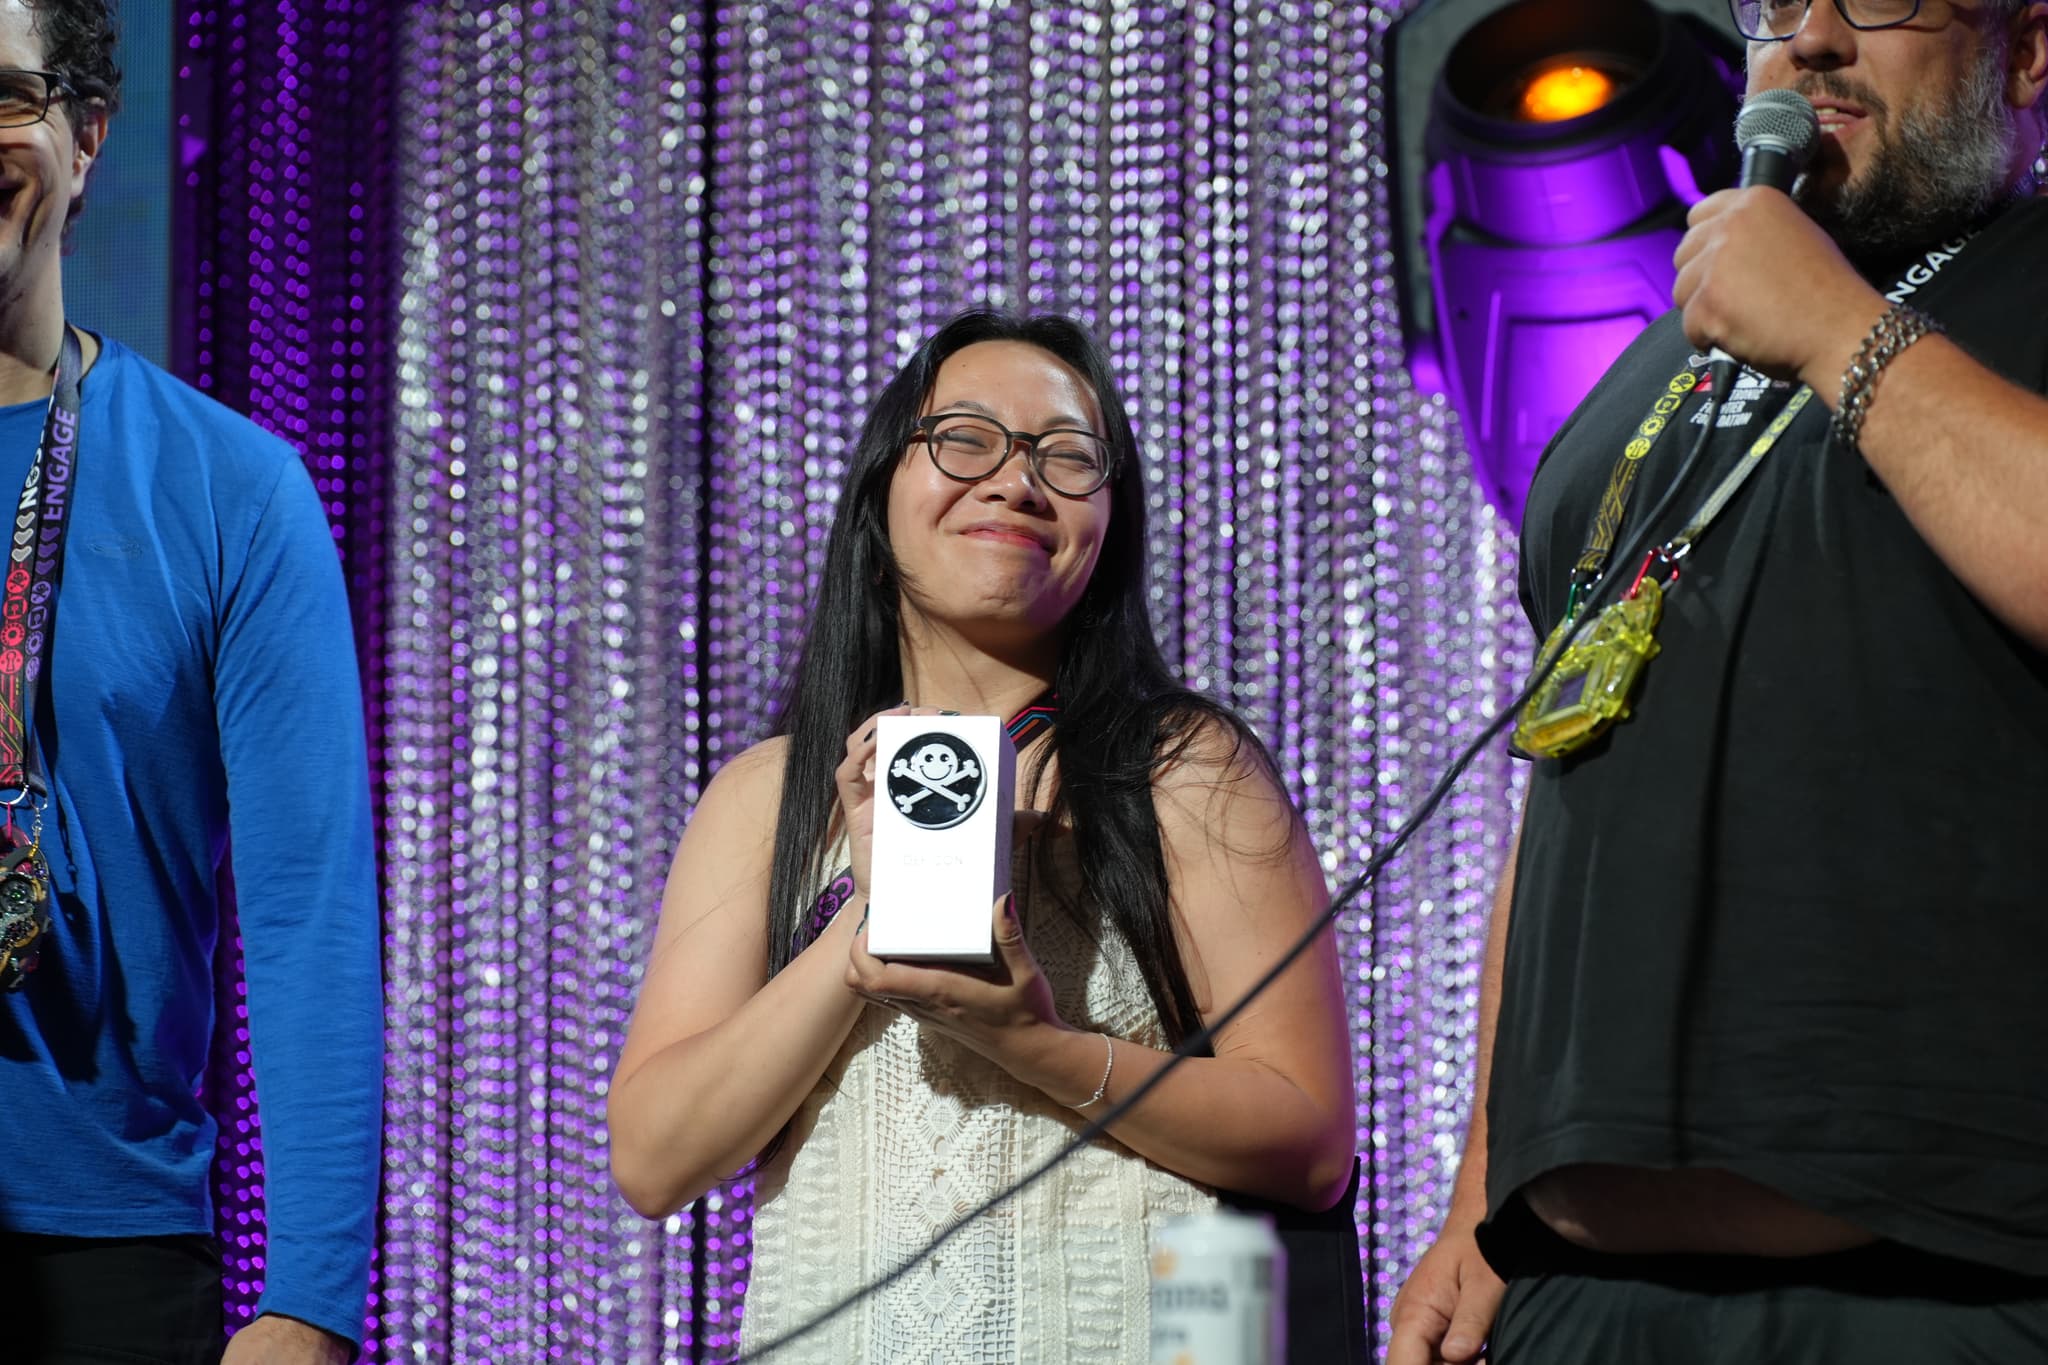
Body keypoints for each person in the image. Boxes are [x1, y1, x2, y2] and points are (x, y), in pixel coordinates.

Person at [1391, 0, 2048, 1361]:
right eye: (1771, 4)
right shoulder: (1665, 363)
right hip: (1585, 1289)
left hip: (1934, 1288)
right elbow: (1570, 782)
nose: (1808, 38)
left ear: (2030, 51)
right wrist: (1477, 1201)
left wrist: (1836, 331)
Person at [608, 310, 1362, 1361]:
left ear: (1107, 530)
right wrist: (867, 923)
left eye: (1066, 456)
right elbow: (653, 1158)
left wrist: (1035, 1047)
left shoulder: (1183, 770)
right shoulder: (766, 796)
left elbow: (1308, 1140)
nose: (1016, 480)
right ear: (880, 499)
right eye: (963, 439)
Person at [0, 2, 381, 1362]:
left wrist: (315, 1301)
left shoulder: (233, 491)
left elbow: (305, 913)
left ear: (88, 132)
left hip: (104, 1245)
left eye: (4, 93)